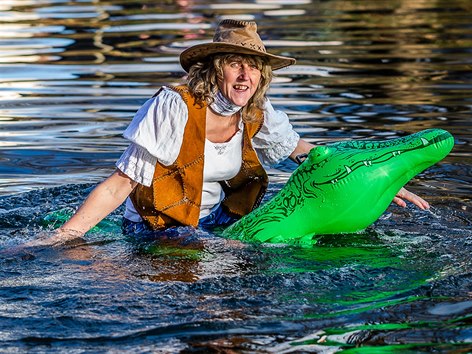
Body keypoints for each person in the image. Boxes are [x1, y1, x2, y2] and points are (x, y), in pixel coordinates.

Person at [32, 19, 429, 246]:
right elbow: (121, 184)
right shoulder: (174, 104)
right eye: (235, 63)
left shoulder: (258, 111)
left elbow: (302, 151)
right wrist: (68, 236)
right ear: (213, 69)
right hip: (160, 231)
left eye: (254, 67)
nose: (246, 75)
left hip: (224, 223)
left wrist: (373, 181)